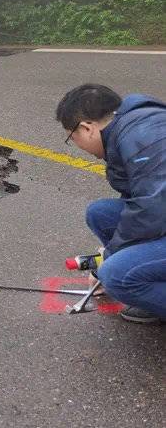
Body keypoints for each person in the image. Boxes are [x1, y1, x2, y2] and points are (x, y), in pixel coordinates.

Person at [56, 84, 166, 324]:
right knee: (100, 214)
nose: (78, 148)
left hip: (158, 211)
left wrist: (109, 257)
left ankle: (145, 287)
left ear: (86, 128)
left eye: (72, 138)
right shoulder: (128, 129)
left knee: (116, 275)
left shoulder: (143, 137)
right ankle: (154, 294)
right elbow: (139, 198)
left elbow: (151, 209)